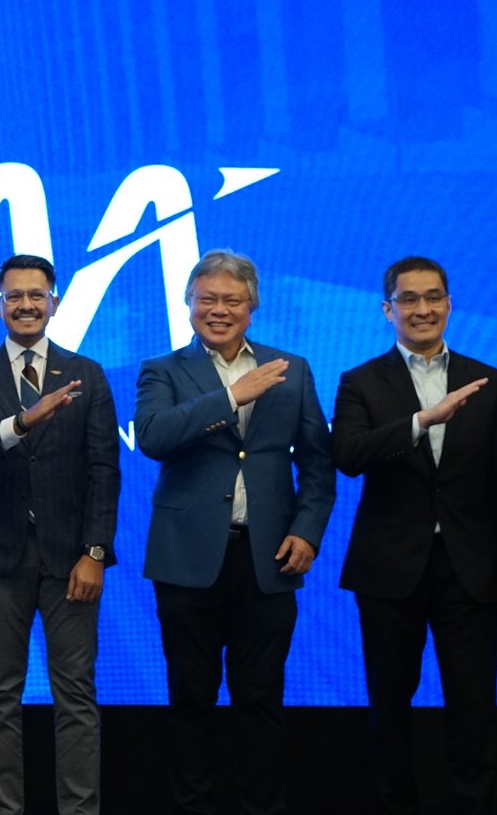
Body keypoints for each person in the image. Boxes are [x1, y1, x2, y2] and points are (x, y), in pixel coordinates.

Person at [133, 248, 335, 815]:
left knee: (261, 701)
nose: (218, 310)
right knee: (190, 702)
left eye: (232, 300)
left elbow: (318, 464)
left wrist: (309, 532)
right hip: (186, 560)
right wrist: (230, 397)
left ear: (252, 307)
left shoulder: (291, 368)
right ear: (189, 304)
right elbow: (153, 436)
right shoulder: (162, 369)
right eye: (208, 300)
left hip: (268, 558)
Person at [331, 256, 497, 815]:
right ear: (387, 309)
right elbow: (347, 456)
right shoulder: (361, 381)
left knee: (474, 706)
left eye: (433, 297)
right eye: (409, 299)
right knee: (389, 707)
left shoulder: (486, 380)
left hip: (470, 569)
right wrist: (421, 421)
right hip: (388, 569)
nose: (422, 309)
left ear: (448, 303)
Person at [0, 254, 120, 815]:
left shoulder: (86, 374)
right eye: (13, 296)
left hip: (73, 560)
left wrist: (94, 552)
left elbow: (103, 471)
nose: (25, 305)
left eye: (35, 295)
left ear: (55, 302)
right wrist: (21, 422)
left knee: (77, 698)